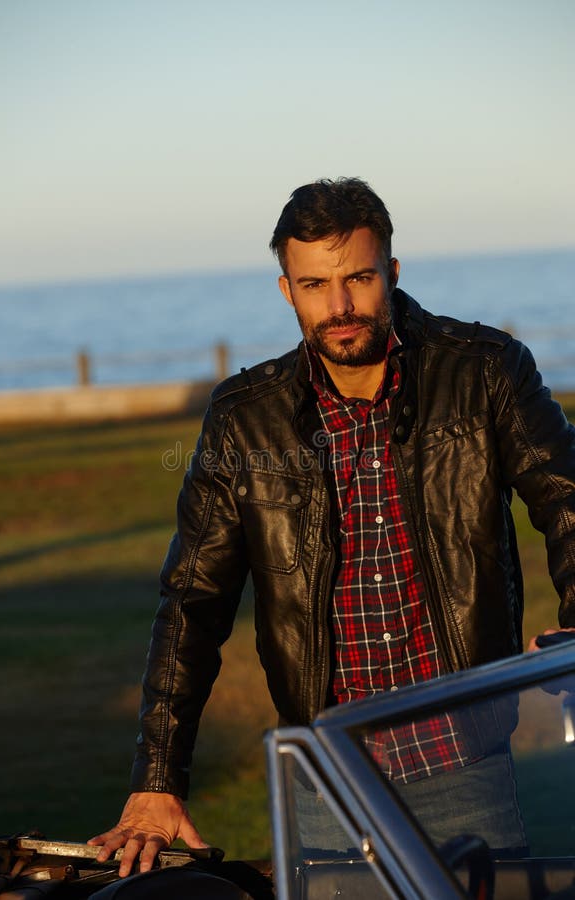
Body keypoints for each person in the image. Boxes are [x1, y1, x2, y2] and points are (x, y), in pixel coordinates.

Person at [89, 177, 575, 874]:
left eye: (359, 278)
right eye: (315, 285)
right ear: (287, 290)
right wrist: (159, 777)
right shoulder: (243, 419)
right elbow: (193, 600)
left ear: (392, 273)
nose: (339, 306)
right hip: (325, 780)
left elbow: (567, 498)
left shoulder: (485, 372)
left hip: (465, 762)